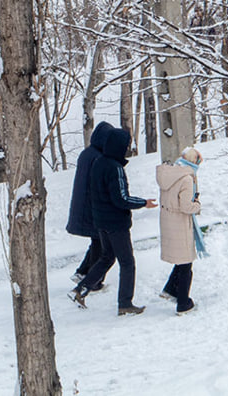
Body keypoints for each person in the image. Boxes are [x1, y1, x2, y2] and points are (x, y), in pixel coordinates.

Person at [70, 127, 157, 315]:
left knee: (107, 257)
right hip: (115, 223)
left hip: (101, 222)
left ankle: (80, 289)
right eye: (126, 145)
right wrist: (144, 203)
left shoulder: (99, 163)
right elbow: (121, 199)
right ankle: (125, 303)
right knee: (127, 263)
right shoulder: (114, 168)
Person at [156, 147, 205, 315]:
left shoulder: (170, 173)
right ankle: (183, 303)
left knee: (181, 260)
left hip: (168, 221)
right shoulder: (186, 179)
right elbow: (185, 206)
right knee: (186, 264)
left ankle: (170, 289)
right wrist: (197, 205)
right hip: (180, 223)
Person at [66, 121, 113, 289]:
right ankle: (93, 281)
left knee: (97, 242)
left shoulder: (87, 154)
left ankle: (83, 272)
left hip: (84, 206)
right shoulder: (98, 157)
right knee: (101, 244)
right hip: (93, 208)